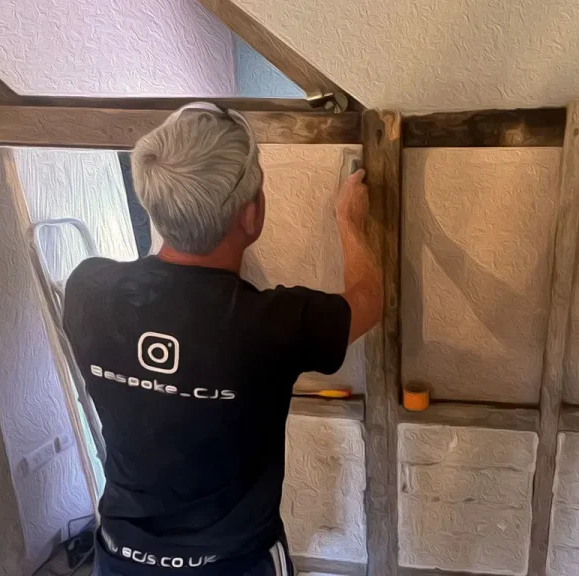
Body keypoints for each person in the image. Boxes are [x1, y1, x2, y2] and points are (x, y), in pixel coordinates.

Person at [62, 103, 383, 576]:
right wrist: (349, 221)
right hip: (235, 563)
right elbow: (370, 298)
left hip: (120, 558)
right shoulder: (272, 325)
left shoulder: (86, 290)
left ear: (154, 203)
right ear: (251, 213)